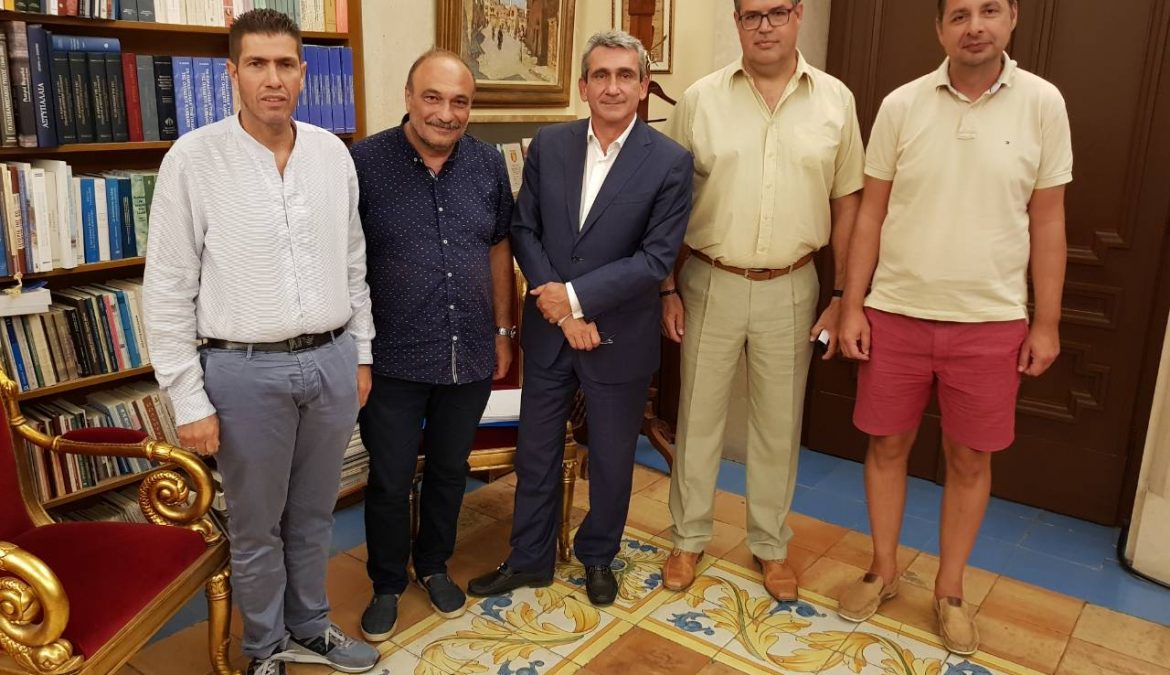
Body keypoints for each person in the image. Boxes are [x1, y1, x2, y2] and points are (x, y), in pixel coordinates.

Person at [141, 9, 379, 675]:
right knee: (255, 526)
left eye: (285, 64)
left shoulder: (332, 154)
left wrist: (361, 352)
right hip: (243, 372)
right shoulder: (193, 160)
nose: (273, 79)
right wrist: (189, 399)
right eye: (257, 64)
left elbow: (353, 262)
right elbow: (167, 288)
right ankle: (265, 646)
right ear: (233, 73)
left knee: (313, 515)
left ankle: (311, 626)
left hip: (331, 361)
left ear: (302, 72)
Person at [836, 0, 1071, 655]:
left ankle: (950, 590)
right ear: (939, 29)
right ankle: (883, 569)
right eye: (960, 14)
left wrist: (1047, 322)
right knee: (887, 446)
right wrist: (852, 304)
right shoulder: (902, 105)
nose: (976, 26)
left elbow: (1049, 219)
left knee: (970, 459)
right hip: (896, 313)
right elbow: (871, 213)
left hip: (991, 322)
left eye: (989, 10)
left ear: (1012, 17)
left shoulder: (1043, 104)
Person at [468, 30, 692, 606]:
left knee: (612, 459)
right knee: (537, 452)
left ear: (644, 86)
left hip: (619, 335)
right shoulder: (551, 143)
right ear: (583, 85)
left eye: (625, 76)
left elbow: (655, 259)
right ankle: (529, 558)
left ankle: (597, 557)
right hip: (551, 334)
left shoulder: (670, 162)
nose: (612, 87)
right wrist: (563, 312)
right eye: (601, 75)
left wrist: (573, 298)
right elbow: (525, 229)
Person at [659, 0, 864, 601]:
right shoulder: (700, 100)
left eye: (777, 12)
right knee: (698, 418)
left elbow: (848, 203)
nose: (765, 26)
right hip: (709, 280)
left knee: (778, 424)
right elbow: (668, 202)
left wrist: (843, 294)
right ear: (737, 23)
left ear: (798, 15)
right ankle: (688, 537)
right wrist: (666, 287)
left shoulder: (835, 101)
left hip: (794, 286)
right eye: (752, 15)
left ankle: (771, 545)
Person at [350, 49, 515, 642]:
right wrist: (357, 353)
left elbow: (499, 247)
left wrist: (503, 330)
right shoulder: (363, 162)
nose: (446, 113)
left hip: (468, 351)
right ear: (408, 97)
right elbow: (345, 260)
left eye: (460, 102)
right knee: (390, 480)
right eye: (433, 98)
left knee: (449, 471)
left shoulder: (487, 163)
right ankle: (386, 582)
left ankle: (435, 564)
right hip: (392, 358)